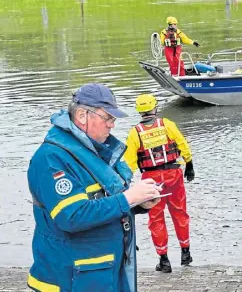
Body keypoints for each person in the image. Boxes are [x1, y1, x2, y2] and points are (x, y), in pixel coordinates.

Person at [27, 83, 161, 292]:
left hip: (102, 272)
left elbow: (102, 199)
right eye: (108, 118)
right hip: (70, 278)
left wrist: (137, 203)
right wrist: (128, 199)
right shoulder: (50, 159)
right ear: (82, 115)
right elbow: (72, 216)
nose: (112, 125)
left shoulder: (91, 150)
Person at [123, 94, 195, 274]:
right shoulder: (167, 124)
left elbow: (129, 163)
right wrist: (189, 164)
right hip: (174, 175)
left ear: (139, 111)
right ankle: (185, 253)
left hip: (151, 180)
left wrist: (124, 184)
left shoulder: (135, 133)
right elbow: (182, 143)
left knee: (156, 219)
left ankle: (164, 260)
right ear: (154, 108)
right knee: (180, 213)